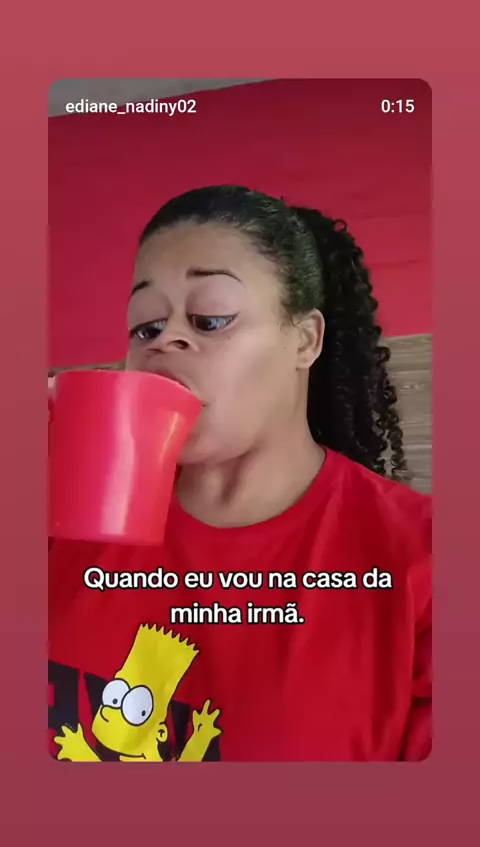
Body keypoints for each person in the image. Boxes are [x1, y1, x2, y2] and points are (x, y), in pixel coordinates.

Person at [49, 185, 431, 763]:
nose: (166, 341)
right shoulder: (62, 520)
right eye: (146, 326)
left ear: (305, 340)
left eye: (210, 319)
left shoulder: (426, 558)